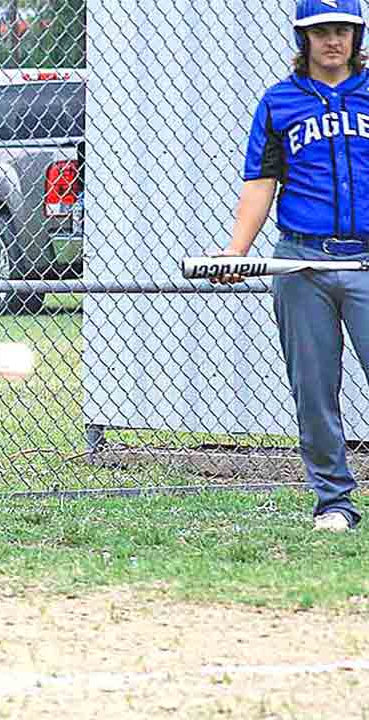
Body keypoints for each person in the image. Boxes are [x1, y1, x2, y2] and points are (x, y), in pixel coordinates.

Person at [215, 0, 369, 531]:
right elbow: (261, 181)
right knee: (314, 386)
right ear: (303, 38)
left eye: (343, 30)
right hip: (301, 260)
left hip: (367, 262)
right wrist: (237, 251)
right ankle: (334, 502)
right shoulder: (280, 102)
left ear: (358, 34)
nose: (333, 40)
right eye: (321, 31)